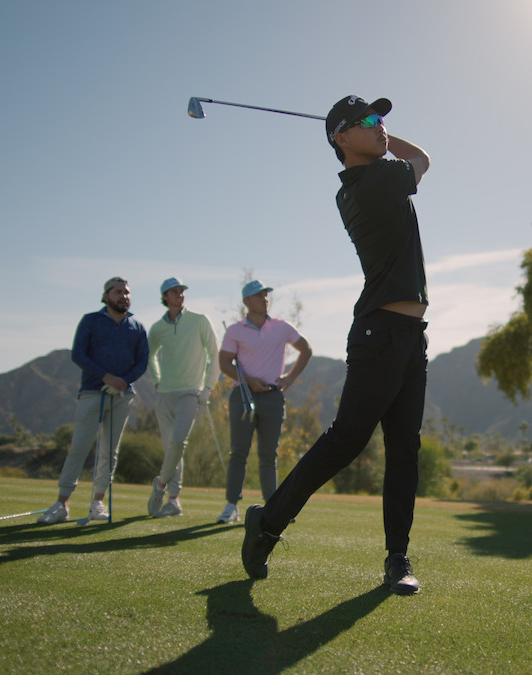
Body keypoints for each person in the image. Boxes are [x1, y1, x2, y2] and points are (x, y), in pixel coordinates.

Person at [242, 96, 431, 595]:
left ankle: (396, 558)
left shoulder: (366, 180)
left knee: (404, 450)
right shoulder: (375, 182)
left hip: (409, 337)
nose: (381, 126)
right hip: (380, 335)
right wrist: (390, 138)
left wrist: (379, 130)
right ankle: (267, 523)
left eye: (383, 118)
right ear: (341, 139)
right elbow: (424, 160)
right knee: (347, 440)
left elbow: (409, 160)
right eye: (369, 120)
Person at [38, 277, 148, 524]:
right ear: (106, 296)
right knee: (79, 447)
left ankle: (98, 502)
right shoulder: (91, 320)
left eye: (127, 292)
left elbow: (142, 362)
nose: (123, 296)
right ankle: (62, 503)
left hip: (121, 395)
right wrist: (106, 377)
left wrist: (122, 381)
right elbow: (78, 354)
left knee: (110, 451)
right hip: (91, 392)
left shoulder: (137, 326)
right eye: (118, 292)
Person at [216, 279, 312, 525]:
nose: (264, 300)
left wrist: (290, 378)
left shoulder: (281, 327)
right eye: (259, 296)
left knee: (269, 454)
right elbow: (225, 363)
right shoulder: (235, 330)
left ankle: (273, 506)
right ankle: (231, 506)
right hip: (243, 395)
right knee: (239, 452)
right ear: (247, 301)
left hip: (272, 396)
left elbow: (306, 350)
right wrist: (248, 380)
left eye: (265, 296)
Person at [146, 277, 220, 518]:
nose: (180, 294)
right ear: (165, 297)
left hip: (190, 392)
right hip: (165, 394)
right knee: (171, 449)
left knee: (178, 443)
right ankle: (174, 500)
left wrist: (207, 387)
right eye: (174, 292)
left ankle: (160, 484)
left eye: (182, 291)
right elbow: (149, 356)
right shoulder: (157, 328)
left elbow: (215, 354)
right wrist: (156, 379)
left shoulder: (199, 321)